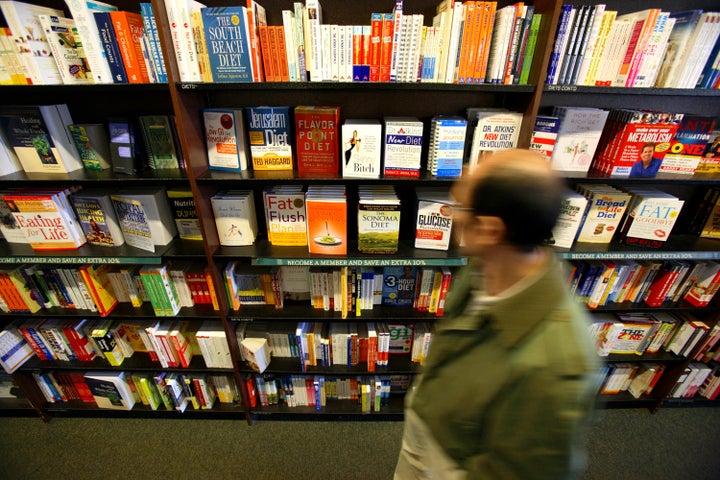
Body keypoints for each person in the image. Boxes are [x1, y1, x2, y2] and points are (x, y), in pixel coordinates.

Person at [394, 149, 602, 480]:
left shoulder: (553, 370)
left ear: (490, 230)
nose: (452, 211)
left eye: (460, 207)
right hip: (430, 423)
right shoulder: (487, 263)